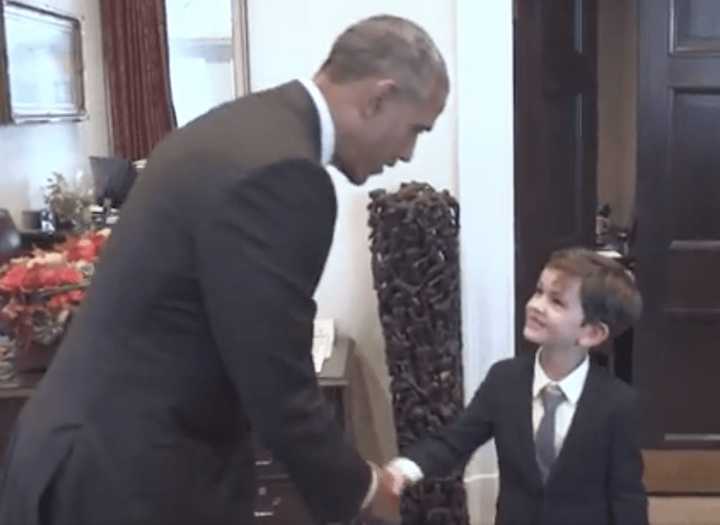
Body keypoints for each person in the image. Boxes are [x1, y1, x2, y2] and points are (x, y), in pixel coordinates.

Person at [0, 14, 448, 525]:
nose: (409, 153)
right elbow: (276, 379)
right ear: (378, 98)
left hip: (78, 457)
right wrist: (362, 490)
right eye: (415, 129)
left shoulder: (239, 126)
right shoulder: (284, 173)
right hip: (127, 479)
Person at [385, 247, 648, 525]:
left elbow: (626, 493)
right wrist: (405, 468)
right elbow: (455, 441)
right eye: (538, 292)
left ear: (592, 333)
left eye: (557, 302)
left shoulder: (618, 403)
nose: (536, 305)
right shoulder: (504, 380)